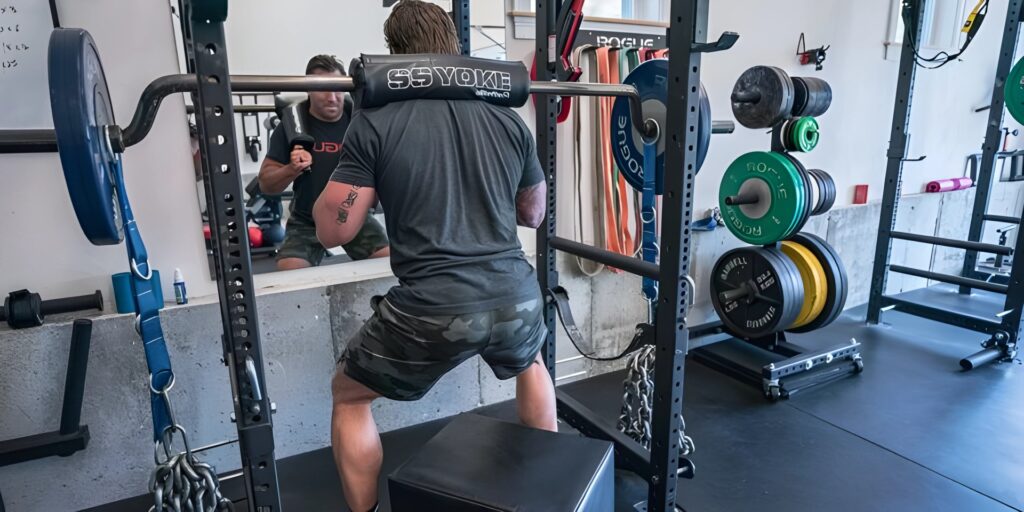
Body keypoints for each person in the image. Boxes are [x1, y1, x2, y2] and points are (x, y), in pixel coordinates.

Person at [312, 2, 553, 510]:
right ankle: (548, 492)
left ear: (395, 53)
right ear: (455, 47)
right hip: (516, 297)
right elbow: (533, 214)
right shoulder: (508, 119)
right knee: (531, 363)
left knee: (349, 394)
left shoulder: (375, 121)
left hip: (433, 310)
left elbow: (336, 230)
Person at [259, 55, 389, 271]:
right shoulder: (291, 127)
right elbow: (266, 184)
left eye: (337, 89)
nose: (332, 97)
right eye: (323, 89)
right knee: (290, 275)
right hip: (306, 221)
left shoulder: (359, 122)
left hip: (352, 215)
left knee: (388, 267)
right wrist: (290, 170)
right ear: (309, 90)